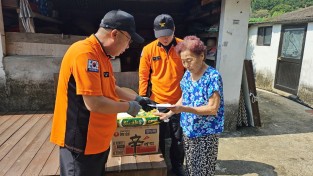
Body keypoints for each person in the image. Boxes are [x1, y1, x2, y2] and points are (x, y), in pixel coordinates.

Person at [50, 10, 154, 176]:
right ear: (114, 34)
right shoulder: (85, 54)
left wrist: (139, 98)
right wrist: (128, 107)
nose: (128, 47)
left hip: (97, 142)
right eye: (128, 41)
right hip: (81, 143)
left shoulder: (102, 56)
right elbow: (95, 103)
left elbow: (111, 88)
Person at [155, 36, 224, 176]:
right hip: (188, 129)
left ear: (202, 56)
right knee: (191, 166)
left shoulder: (212, 77)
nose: (186, 65)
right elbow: (185, 97)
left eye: (189, 60)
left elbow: (212, 109)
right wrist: (169, 113)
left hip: (205, 133)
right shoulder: (188, 74)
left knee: (203, 170)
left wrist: (185, 109)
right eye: (183, 61)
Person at [138, 14, 185, 176]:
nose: (164, 38)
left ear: (174, 30)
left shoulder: (184, 47)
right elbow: (143, 75)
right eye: (160, 35)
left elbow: (191, 72)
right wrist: (142, 97)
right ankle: (161, 165)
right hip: (156, 102)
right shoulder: (148, 49)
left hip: (178, 102)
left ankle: (177, 165)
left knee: (178, 139)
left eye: (168, 34)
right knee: (156, 137)